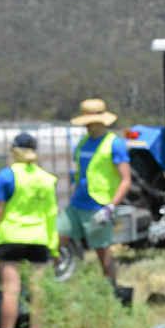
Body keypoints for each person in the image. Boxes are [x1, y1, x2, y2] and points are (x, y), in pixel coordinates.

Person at [0, 132, 59, 328]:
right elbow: (52, 213)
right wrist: (53, 245)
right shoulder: (47, 179)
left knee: (11, 289)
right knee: (38, 289)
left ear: (14, 151)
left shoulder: (7, 175)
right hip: (39, 238)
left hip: (11, 236)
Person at [59, 99, 131, 285]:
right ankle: (51, 280)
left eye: (91, 123)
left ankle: (111, 289)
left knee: (102, 252)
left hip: (98, 206)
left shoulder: (114, 144)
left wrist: (110, 207)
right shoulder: (83, 143)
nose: (88, 126)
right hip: (77, 203)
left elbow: (126, 180)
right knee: (56, 238)